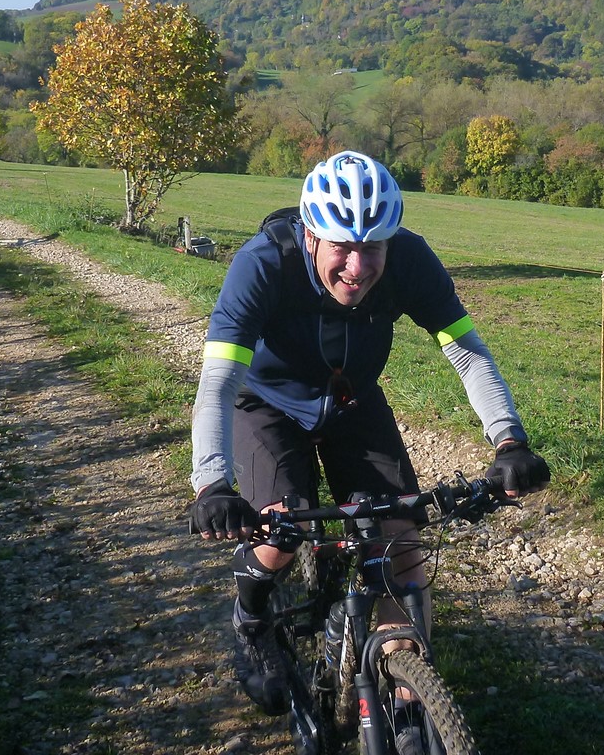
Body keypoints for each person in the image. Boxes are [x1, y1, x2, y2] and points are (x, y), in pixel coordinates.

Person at [188, 150, 549, 723]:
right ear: (311, 235)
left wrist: (510, 442)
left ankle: (411, 699)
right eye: (342, 247)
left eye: (373, 247)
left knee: (399, 534)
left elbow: (467, 353)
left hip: (353, 400)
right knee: (280, 530)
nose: (357, 267)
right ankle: (251, 620)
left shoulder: (410, 261)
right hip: (267, 404)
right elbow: (218, 382)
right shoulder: (263, 264)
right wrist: (212, 485)